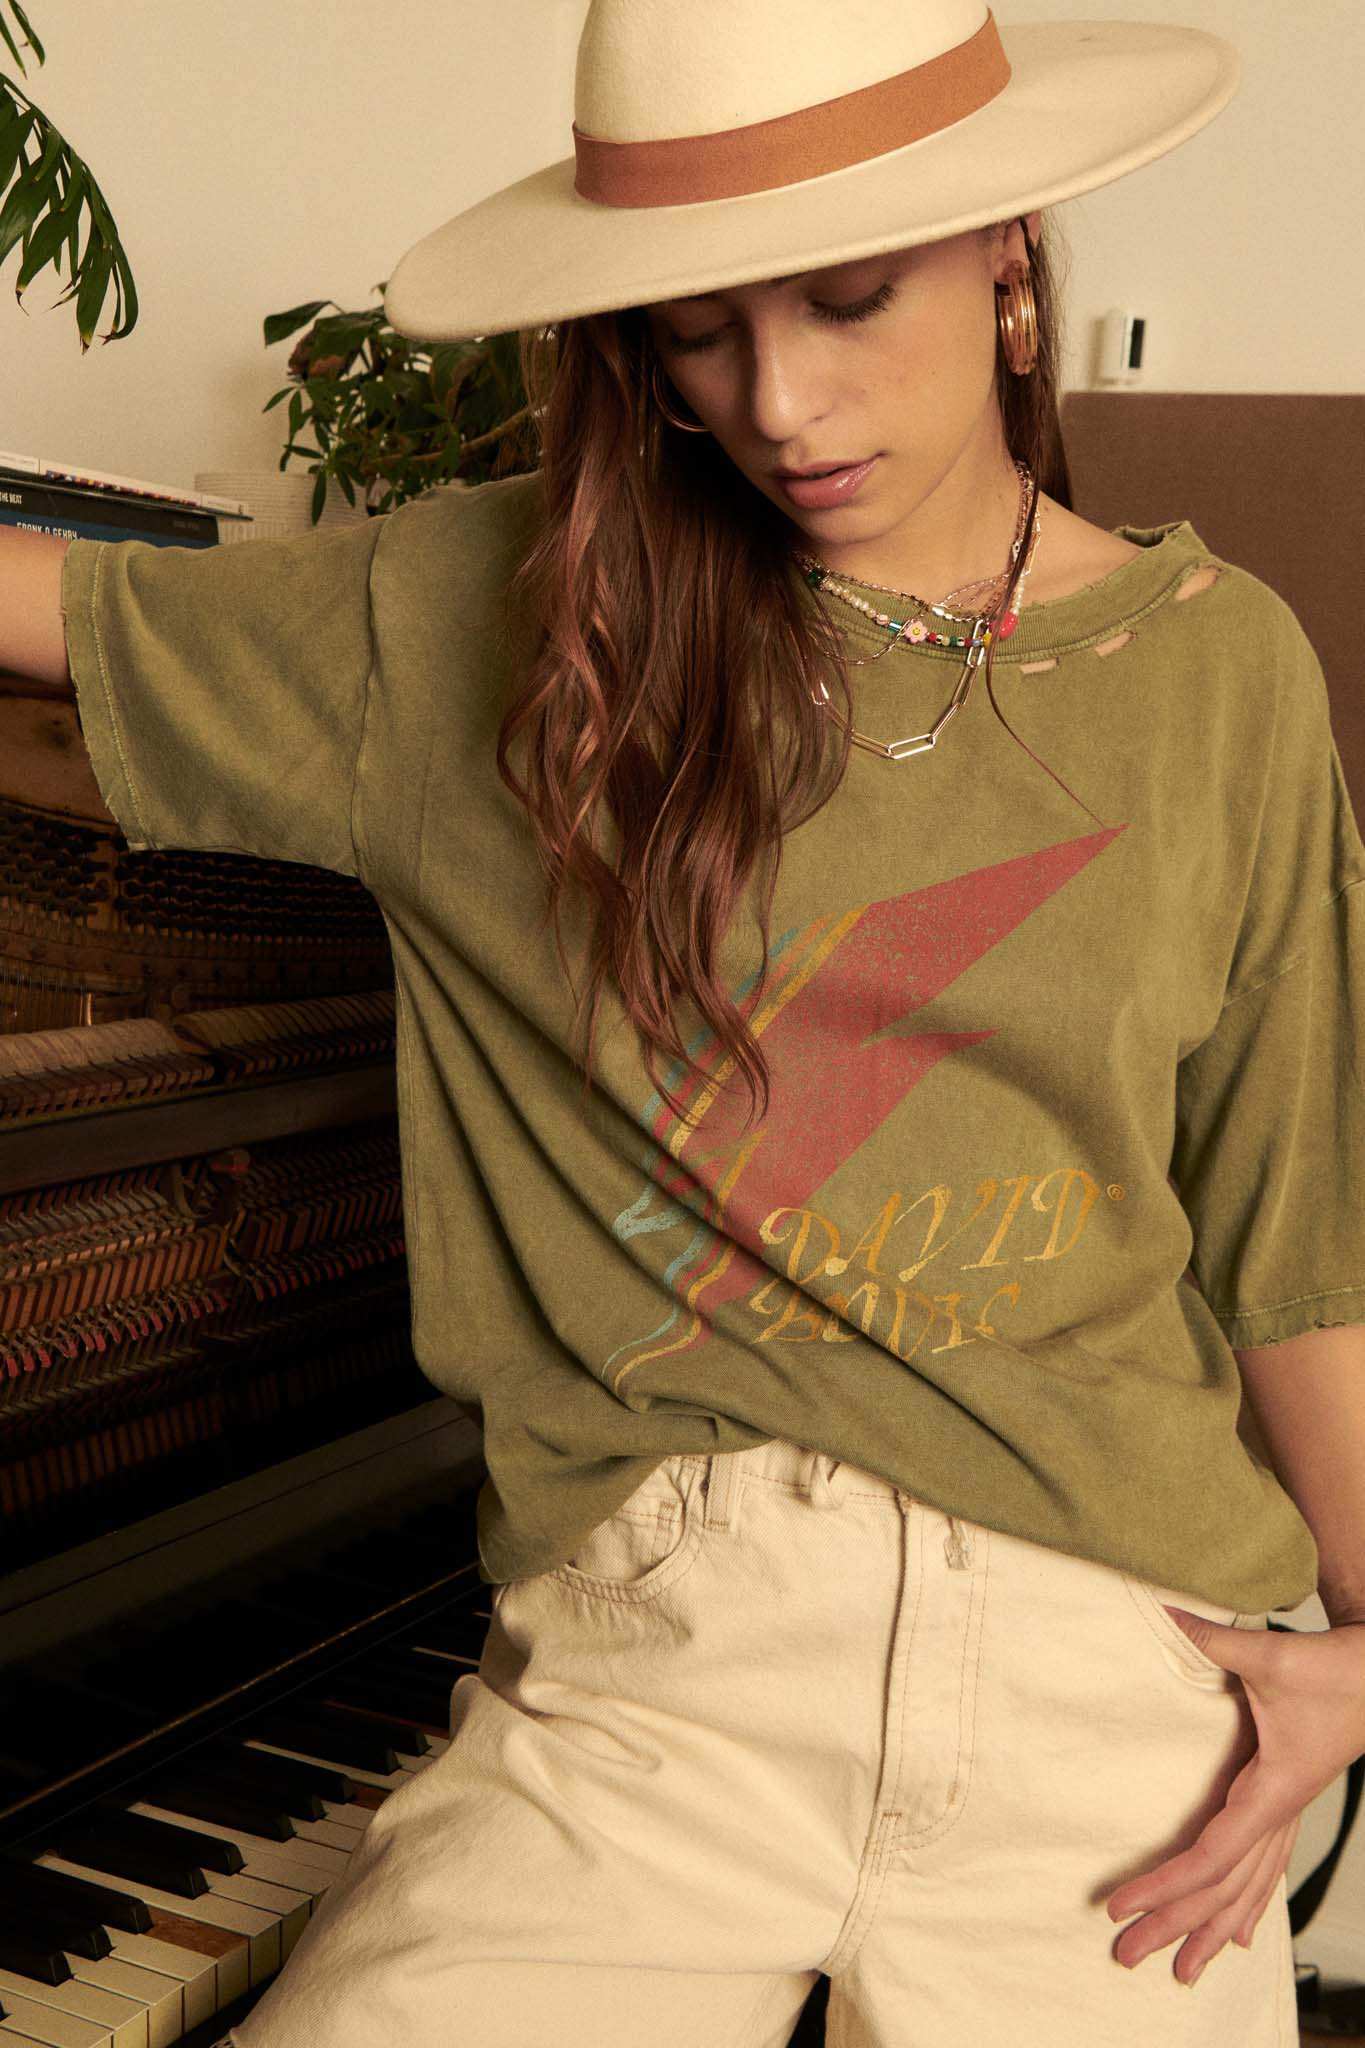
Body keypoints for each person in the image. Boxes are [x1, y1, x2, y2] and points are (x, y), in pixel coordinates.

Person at [4, 2, 1365, 2042]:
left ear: (1003, 250)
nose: (777, 403)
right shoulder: (501, 622)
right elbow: (46, 613)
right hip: (661, 1672)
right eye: (696, 333)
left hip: (1112, 1681)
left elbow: (1294, 1229)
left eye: (844, 299)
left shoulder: (1217, 670)